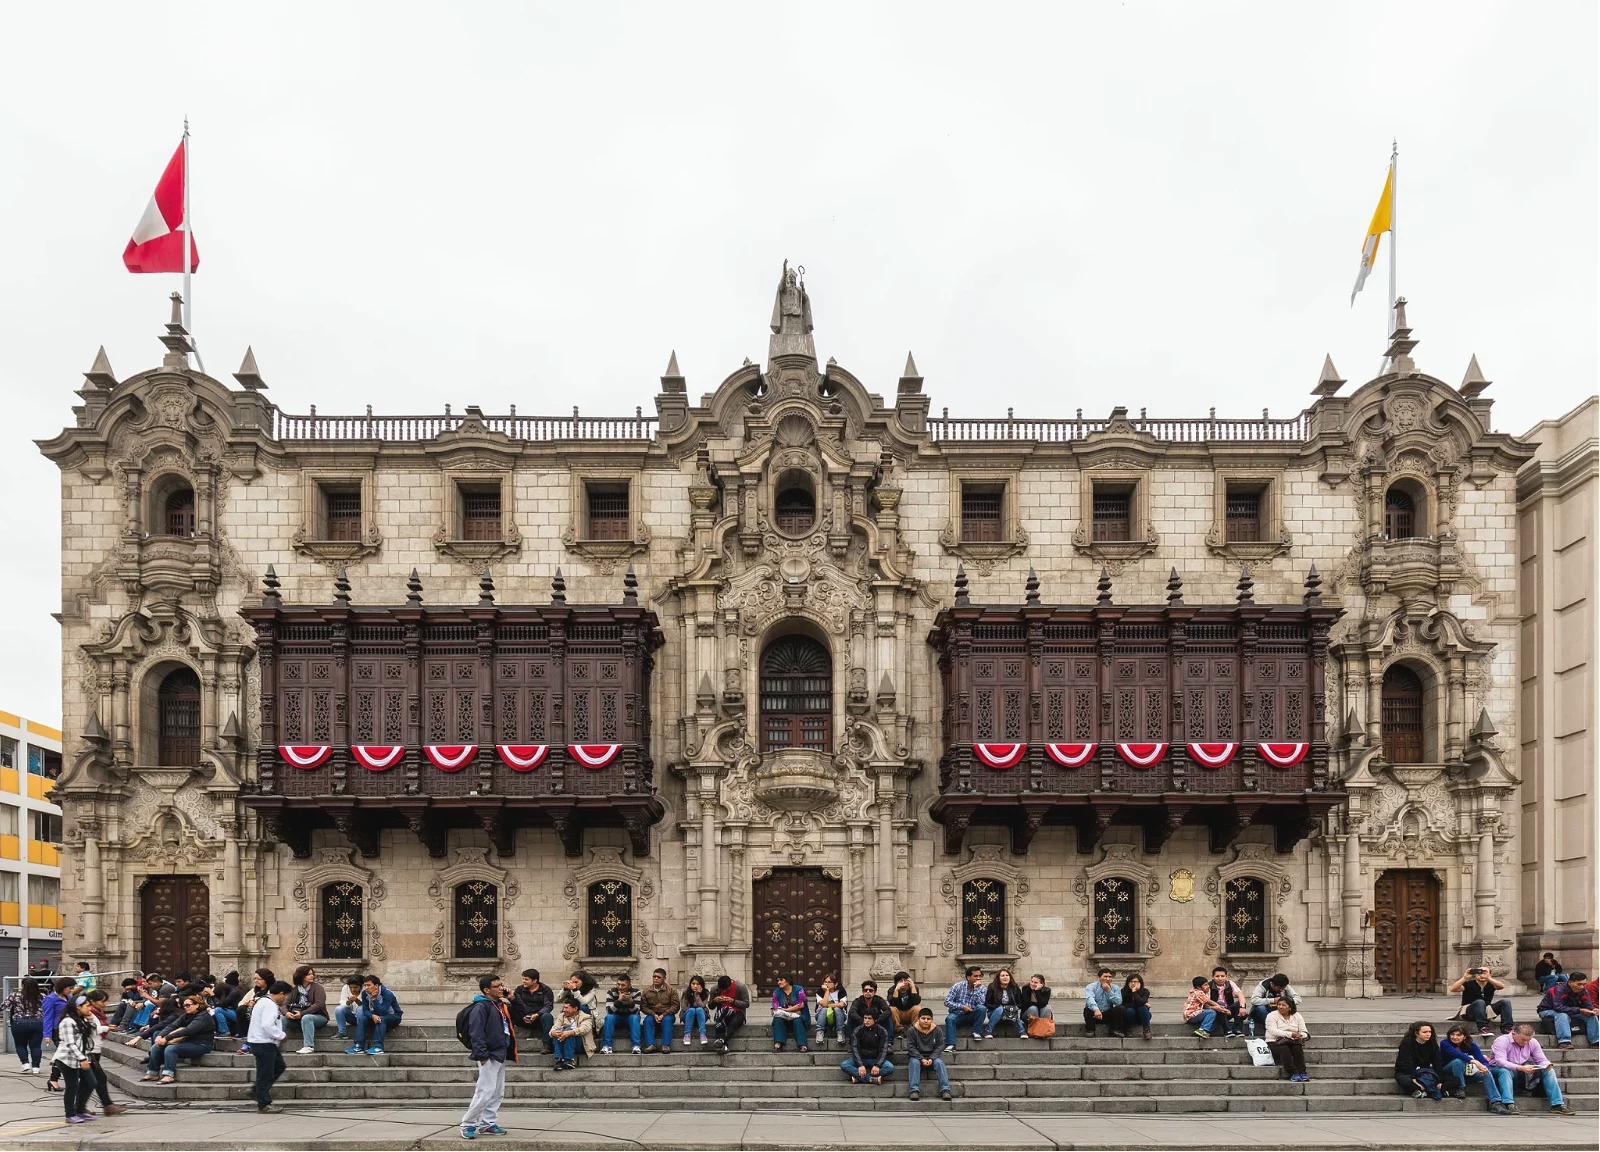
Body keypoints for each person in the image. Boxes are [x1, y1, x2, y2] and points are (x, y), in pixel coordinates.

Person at [460, 974, 517, 1140]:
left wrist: (513, 999)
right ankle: (468, 1123)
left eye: (501, 985)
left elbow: (521, 1015)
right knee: (485, 1091)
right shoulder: (481, 1007)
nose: (501, 988)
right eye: (496, 986)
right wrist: (482, 1055)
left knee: (497, 1091)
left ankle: (488, 1123)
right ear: (486, 990)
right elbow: (476, 1032)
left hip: (500, 1051)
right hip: (489, 1053)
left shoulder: (499, 1004)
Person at [1490, 1022, 1576, 1115]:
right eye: (1523, 1040)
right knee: (1505, 1071)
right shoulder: (1501, 1041)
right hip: (1500, 1070)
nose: (1525, 1043)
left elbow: (1542, 1059)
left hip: (1523, 1071)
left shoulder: (1533, 1042)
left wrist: (1546, 1064)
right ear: (1514, 1033)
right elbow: (1500, 1061)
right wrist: (1520, 1068)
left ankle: (1557, 1104)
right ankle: (1508, 1103)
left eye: (1528, 1040)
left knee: (1549, 1071)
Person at [141, 993, 216, 1084]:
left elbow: (188, 1030)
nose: (185, 1007)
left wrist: (167, 1038)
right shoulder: (186, 1015)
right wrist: (160, 1036)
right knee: (156, 1047)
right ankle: (153, 1073)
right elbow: (172, 1025)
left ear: (197, 1005)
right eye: (184, 1005)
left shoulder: (203, 1017)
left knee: (171, 1049)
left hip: (201, 1045)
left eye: (188, 1005)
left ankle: (169, 1075)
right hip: (188, 1043)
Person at [1441, 1023, 1512, 1113]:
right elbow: (1456, 1054)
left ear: (1465, 1036)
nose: (1455, 1037)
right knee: (1458, 1061)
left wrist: (1484, 1067)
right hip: (1449, 1074)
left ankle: (1495, 1102)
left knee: (1486, 1072)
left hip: (1468, 1073)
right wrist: (1473, 1061)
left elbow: (1483, 1061)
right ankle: (1460, 1087)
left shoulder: (1471, 1045)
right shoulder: (1445, 1043)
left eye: (1458, 1035)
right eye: (1452, 1034)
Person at [54, 995, 101, 1125]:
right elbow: (70, 1043)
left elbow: (93, 1033)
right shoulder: (67, 1022)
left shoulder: (80, 1020)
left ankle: (80, 1109)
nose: (89, 1008)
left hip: (81, 1057)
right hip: (67, 1059)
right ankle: (70, 1114)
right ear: (78, 1007)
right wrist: (81, 1058)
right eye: (86, 1006)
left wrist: (90, 1019)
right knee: (72, 1086)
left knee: (91, 1082)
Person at [248, 980, 291, 1113]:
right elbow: (267, 1025)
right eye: (285, 996)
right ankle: (264, 1103)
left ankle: (257, 1091)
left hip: (263, 1042)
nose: (285, 1000)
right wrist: (281, 1035)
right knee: (265, 1073)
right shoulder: (269, 1005)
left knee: (279, 1066)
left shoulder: (264, 1001)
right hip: (264, 1042)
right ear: (281, 993)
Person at [1537, 971, 1600, 1049]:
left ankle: (1595, 1042)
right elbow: (1558, 1007)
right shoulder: (1558, 989)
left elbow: (1587, 1003)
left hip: (1571, 1010)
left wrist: (1593, 1010)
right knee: (1562, 1015)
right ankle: (1564, 1042)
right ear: (1570, 982)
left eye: (1584, 984)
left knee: (1592, 1016)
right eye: (1579, 984)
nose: (1581, 987)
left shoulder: (1583, 991)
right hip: (1547, 1010)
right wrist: (1579, 1010)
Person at [1394, 1021, 1454, 1099]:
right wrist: (1415, 1079)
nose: (1428, 1034)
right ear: (1416, 1033)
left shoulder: (1432, 1043)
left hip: (1425, 1072)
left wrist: (1439, 1080)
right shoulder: (1407, 1043)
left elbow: (1437, 1062)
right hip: (1408, 1073)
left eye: (1430, 1032)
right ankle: (1433, 1090)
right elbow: (1405, 1064)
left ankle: (1424, 1090)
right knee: (1405, 1081)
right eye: (1425, 1032)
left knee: (1455, 1080)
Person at [345, 975, 403, 1055]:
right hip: (376, 1015)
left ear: (376, 986)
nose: (366, 988)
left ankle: (378, 1047)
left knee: (381, 1019)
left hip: (393, 1016)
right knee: (362, 1018)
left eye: (368, 985)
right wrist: (372, 1016)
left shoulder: (387, 994)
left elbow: (383, 1012)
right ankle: (358, 1046)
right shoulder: (365, 993)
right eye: (365, 985)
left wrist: (374, 999)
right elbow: (365, 1009)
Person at [1450, 966, 1513, 1036]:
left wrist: (1488, 978)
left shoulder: (1491, 984)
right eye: (1479, 973)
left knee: (1505, 1002)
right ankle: (1483, 1028)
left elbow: (1501, 986)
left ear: (1490, 975)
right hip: (1469, 1012)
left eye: (1485, 972)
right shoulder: (1469, 984)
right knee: (1480, 1002)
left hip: (1486, 1011)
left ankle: (1507, 1028)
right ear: (1475, 975)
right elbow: (1452, 989)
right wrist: (1464, 978)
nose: (1482, 975)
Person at [905, 1008, 950, 1101]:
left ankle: (945, 1089)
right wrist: (921, 1059)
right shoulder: (912, 1030)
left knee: (940, 1063)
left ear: (932, 1020)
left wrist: (932, 1058)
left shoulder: (937, 1030)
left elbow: (940, 1046)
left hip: (932, 1056)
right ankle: (914, 1090)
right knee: (914, 1063)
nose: (926, 1021)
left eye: (928, 1019)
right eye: (923, 1018)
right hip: (916, 1057)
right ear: (918, 1019)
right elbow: (911, 1047)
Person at [841, 1006, 893, 1085]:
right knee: (844, 1065)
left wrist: (877, 1065)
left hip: (875, 1059)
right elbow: (855, 1048)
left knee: (890, 1067)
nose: (866, 1021)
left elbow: (883, 1050)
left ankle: (859, 1078)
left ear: (875, 1020)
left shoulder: (882, 1031)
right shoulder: (857, 1030)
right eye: (865, 1018)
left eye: (869, 1018)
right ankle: (871, 1079)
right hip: (862, 1058)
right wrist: (860, 1065)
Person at [1263, 995, 1310, 1082]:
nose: (1280, 1007)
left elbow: (1304, 1032)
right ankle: (1293, 1072)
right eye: (1279, 1004)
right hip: (1274, 1041)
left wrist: (1300, 1035)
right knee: (1284, 1049)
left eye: (1284, 1005)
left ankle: (1302, 1071)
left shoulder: (1297, 1016)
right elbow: (1273, 1031)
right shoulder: (1271, 1015)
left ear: (1290, 1007)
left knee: (1297, 1047)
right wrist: (1290, 1034)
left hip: (1292, 1041)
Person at [285, 965, 329, 1054]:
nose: (311, 976)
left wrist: (302, 1013)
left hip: (318, 1017)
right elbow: (284, 1004)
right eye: (308, 974)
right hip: (298, 1017)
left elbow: (319, 1004)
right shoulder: (295, 989)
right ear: (301, 976)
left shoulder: (318, 988)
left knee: (307, 1017)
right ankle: (275, 1043)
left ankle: (309, 1046)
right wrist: (286, 1013)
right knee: (281, 1019)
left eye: (312, 974)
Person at [511, 969, 556, 1054]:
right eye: (523, 979)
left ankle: (547, 1045)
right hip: (522, 1017)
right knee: (509, 1009)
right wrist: (523, 1016)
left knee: (548, 1016)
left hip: (538, 1018)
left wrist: (537, 1015)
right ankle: (509, 1044)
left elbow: (548, 1006)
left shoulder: (546, 990)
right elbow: (517, 1004)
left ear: (535, 980)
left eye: (526, 979)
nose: (523, 981)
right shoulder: (519, 989)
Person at [943, 965, 987, 1051]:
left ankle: (976, 1031)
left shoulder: (982, 988)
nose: (978, 978)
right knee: (950, 1018)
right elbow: (947, 1001)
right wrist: (962, 1006)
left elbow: (981, 1003)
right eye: (975, 976)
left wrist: (976, 990)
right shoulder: (958, 986)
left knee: (982, 1008)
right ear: (968, 977)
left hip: (973, 1015)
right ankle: (951, 1044)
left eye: (979, 976)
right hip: (958, 1014)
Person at [6, 976, 44, 1073]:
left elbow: (3, 1006)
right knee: (36, 1046)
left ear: (23, 986)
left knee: (20, 1045)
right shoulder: (42, 996)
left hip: (19, 1023)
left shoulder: (14, 996)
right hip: (37, 1022)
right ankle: (36, 1067)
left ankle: (25, 1063)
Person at [234, 968, 275, 1056]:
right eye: (255, 979)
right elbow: (240, 1003)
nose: (256, 981)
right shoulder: (254, 990)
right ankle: (243, 1033)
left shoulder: (272, 990)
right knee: (242, 1009)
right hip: (252, 1014)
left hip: (266, 1016)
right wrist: (248, 1003)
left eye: (258, 979)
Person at [547, 995, 592, 1071]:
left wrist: (570, 1032)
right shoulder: (562, 1016)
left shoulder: (586, 1017)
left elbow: (584, 1029)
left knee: (568, 1031)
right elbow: (553, 1029)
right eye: (563, 1008)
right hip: (564, 1043)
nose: (564, 1010)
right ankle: (560, 1059)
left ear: (575, 1008)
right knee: (557, 1031)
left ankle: (569, 1059)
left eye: (566, 1008)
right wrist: (553, 1033)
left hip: (580, 1045)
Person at [639, 968, 678, 1054]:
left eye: (658, 977)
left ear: (664, 978)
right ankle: (650, 1045)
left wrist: (664, 1015)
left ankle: (666, 1045)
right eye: (654, 976)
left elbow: (675, 1006)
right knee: (647, 1021)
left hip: (667, 1014)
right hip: (653, 1014)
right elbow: (643, 1007)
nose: (656, 978)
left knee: (667, 1020)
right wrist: (653, 1014)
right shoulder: (646, 991)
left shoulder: (672, 990)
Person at [601, 974, 641, 1054]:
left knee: (635, 1017)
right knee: (609, 1017)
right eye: (618, 984)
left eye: (623, 985)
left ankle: (636, 1046)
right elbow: (609, 1010)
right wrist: (618, 1001)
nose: (620, 987)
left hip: (630, 1016)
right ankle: (607, 1046)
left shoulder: (636, 992)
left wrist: (630, 1002)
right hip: (617, 1017)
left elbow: (636, 1011)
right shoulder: (611, 992)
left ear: (629, 985)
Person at [710, 974, 750, 1053]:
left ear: (730, 984)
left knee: (732, 1022)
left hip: (738, 1012)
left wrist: (733, 1001)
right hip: (722, 1012)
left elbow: (746, 1004)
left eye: (726, 989)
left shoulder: (740, 987)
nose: (724, 991)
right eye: (722, 990)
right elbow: (710, 1006)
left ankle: (721, 1040)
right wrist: (714, 1001)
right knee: (720, 1020)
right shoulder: (714, 989)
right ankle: (723, 1045)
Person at [771, 973, 809, 1052]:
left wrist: (788, 1009)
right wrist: (793, 1009)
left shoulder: (799, 989)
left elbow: (801, 1004)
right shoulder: (776, 992)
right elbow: (775, 1006)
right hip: (783, 1016)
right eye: (778, 980)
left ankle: (802, 1045)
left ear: (788, 980)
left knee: (797, 1021)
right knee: (778, 1019)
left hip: (798, 1016)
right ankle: (778, 1044)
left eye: (781, 980)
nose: (779, 982)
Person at [1082, 968, 1125, 1037]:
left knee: (1121, 1008)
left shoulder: (1115, 988)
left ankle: (1114, 1030)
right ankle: (1090, 1030)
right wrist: (1096, 1009)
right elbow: (1090, 999)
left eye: (1110, 977)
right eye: (1105, 976)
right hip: (1094, 1013)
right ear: (1099, 977)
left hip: (1106, 1013)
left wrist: (1109, 991)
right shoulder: (1091, 987)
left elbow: (1118, 1002)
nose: (1108, 979)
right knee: (1087, 1009)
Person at [985, 968, 1024, 1039]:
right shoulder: (992, 986)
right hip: (994, 1013)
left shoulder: (1014, 987)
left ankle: (1022, 1032)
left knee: (1011, 1010)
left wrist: (1012, 1008)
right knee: (1000, 1009)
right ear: (998, 978)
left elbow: (1020, 1003)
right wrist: (1001, 1008)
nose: (1005, 977)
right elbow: (987, 1003)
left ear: (1010, 977)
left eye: (1007, 975)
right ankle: (988, 1030)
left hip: (1010, 1014)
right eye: (1002, 976)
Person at [886, 972, 921, 1041]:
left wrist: (913, 987)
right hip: (898, 1013)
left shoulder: (913, 988)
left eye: (905, 980)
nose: (903, 982)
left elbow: (916, 1001)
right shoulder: (892, 990)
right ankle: (898, 1031)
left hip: (909, 1012)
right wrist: (896, 990)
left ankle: (913, 1030)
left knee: (917, 1008)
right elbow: (893, 1003)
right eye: (901, 981)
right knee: (891, 1009)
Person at [1020, 974, 1053, 1038]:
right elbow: (1027, 1003)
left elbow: (1043, 1003)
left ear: (1042, 984)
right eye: (1031, 981)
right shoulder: (1025, 988)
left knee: (1047, 1008)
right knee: (1033, 1008)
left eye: (1035, 982)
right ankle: (1036, 1031)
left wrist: (1037, 991)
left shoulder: (1047, 990)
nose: (1032, 984)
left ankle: (1042, 1031)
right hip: (1027, 1015)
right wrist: (1040, 1005)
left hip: (1041, 1013)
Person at [1122, 973, 1153, 1041]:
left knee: (1142, 1008)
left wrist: (1134, 992)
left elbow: (1141, 1002)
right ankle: (1128, 1030)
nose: (1133, 983)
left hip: (1142, 1016)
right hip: (1129, 1017)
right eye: (1131, 981)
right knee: (1130, 1010)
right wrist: (1144, 1004)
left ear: (1140, 983)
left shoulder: (1145, 991)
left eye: (1135, 981)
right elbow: (1124, 1005)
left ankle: (1146, 1031)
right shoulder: (1123, 991)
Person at [333, 976, 364, 1041]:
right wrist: (348, 1002)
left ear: (361, 986)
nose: (353, 989)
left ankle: (360, 1033)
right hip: (352, 1017)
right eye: (351, 987)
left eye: (355, 987)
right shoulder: (345, 988)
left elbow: (367, 1006)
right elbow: (342, 1002)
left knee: (360, 1009)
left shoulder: (365, 989)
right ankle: (342, 1032)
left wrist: (357, 1000)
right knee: (339, 1009)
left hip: (364, 1018)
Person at [682, 975, 711, 1046]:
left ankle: (702, 1034)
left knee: (699, 1009)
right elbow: (684, 1008)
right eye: (693, 984)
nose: (695, 986)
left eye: (698, 984)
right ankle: (687, 1034)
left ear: (701, 985)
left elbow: (702, 1006)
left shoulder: (705, 993)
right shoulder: (686, 993)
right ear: (690, 984)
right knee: (692, 1010)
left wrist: (697, 995)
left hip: (701, 1016)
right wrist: (693, 1008)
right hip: (688, 1016)